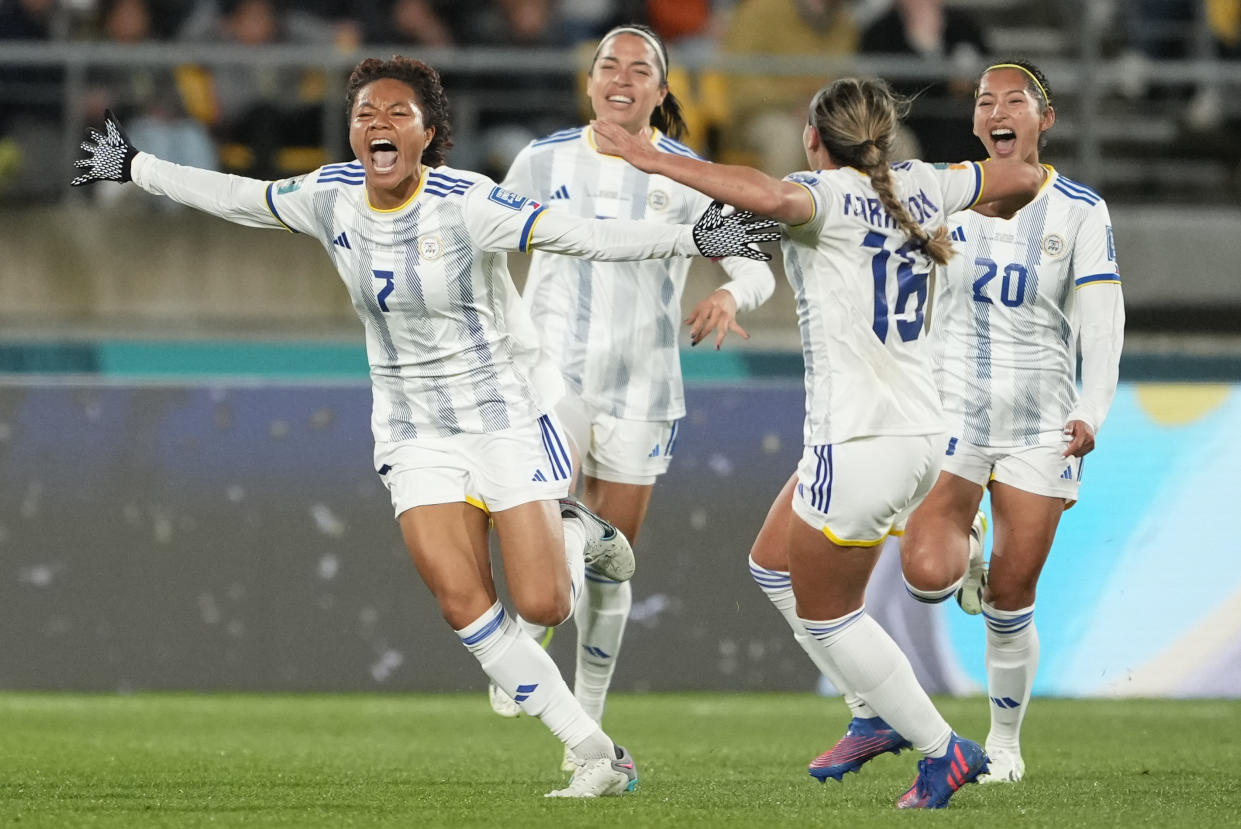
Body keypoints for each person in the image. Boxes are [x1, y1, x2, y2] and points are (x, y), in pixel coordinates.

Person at [70, 54, 777, 799]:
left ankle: (579, 532)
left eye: (396, 114)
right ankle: (597, 753)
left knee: (544, 605)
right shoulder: (329, 195)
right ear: (350, 133)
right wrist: (135, 164)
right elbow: (237, 195)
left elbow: (580, 234)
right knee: (462, 603)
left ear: (429, 133)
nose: (377, 124)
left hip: (503, 417)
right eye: (364, 114)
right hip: (414, 431)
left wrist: (695, 241)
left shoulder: (466, 201)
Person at [593, 76, 1044, 809]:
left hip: (859, 436)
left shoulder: (823, 195)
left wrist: (654, 158)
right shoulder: (926, 183)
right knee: (771, 565)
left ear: (812, 139)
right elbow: (1022, 174)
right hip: (921, 432)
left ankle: (941, 751)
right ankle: (870, 709)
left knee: (828, 614)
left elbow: (764, 196)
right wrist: (996, 191)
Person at [490, 23, 776, 770]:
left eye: (638, 68)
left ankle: (584, 721)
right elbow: (483, 242)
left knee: (612, 565)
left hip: (643, 387)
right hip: (551, 374)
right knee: (553, 518)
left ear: (659, 88)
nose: (621, 76)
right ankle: (527, 627)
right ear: (589, 82)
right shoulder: (542, 158)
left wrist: (731, 292)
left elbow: (756, 260)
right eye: (607, 64)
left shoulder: (682, 172)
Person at [899, 59, 1125, 784]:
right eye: (984, 101)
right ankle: (961, 547)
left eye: (1014, 99)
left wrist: (1092, 409)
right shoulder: (944, 196)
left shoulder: (1079, 210)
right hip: (952, 411)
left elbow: (1103, 323)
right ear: (975, 123)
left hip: (1040, 420)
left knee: (1012, 592)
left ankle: (1003, 744)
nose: (997, 109)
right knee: (927, 577)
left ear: (1043, 118)